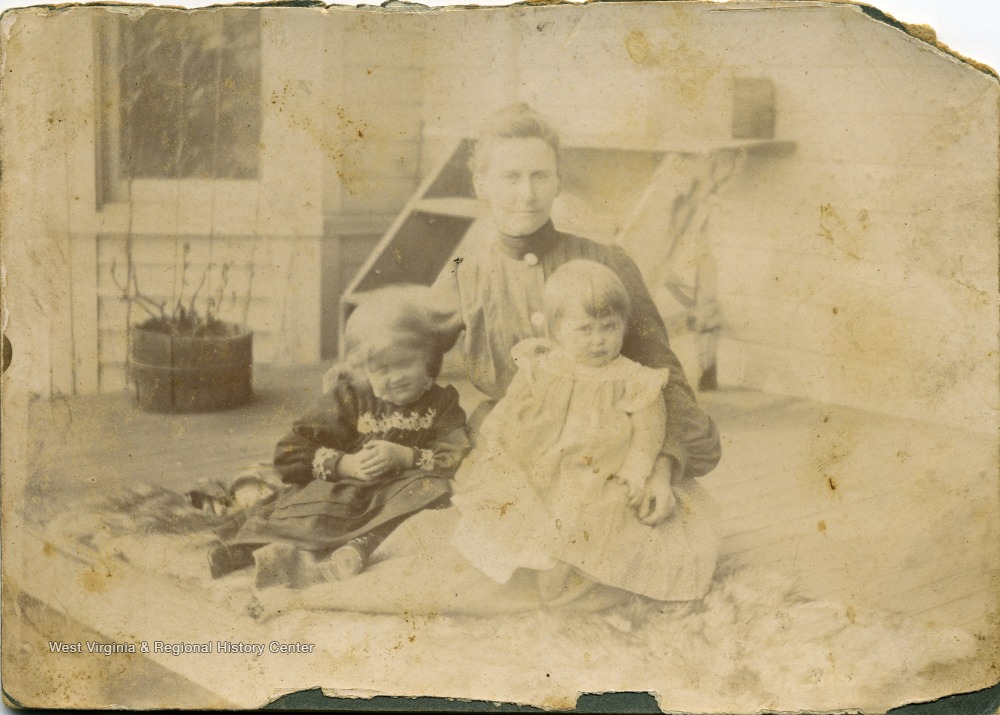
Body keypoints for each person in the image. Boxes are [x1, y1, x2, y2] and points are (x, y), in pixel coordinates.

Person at [431, 102, 721, 529]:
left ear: (558, 182)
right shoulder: (466, 272)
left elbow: (663, 374)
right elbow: (410, 357)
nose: (527, 193)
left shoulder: (607, 262)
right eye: (511, 177)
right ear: (481, 185)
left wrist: (662, 468)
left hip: (610, 451)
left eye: (540, 176)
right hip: (515, 450)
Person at [451, 260, 716, 604]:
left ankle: (566, 566)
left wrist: (636, 472)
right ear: (557, 330)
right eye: (585, 329)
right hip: (546, 460)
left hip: (600, 469)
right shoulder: (543, 365)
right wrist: (496, 444)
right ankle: (537, 560)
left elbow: (648, 433)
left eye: (609, 327)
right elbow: (513, 410)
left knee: (594, 510)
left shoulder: (633, 379)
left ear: (624, 325)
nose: (598, 341)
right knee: (517, 499)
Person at [207, 286, 471, 586]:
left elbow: (453, 453)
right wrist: (344, 464)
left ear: (429, 360)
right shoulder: (351, 397)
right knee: (313, 508)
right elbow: (290, 450)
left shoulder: (441, 404)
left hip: (396, 492)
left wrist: (406, 456)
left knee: (432, 494)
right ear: (365, 371)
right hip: (346, 486)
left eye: (404, 363)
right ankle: (245, 548)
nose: (395, 377)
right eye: (381, 369)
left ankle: (360, 547)